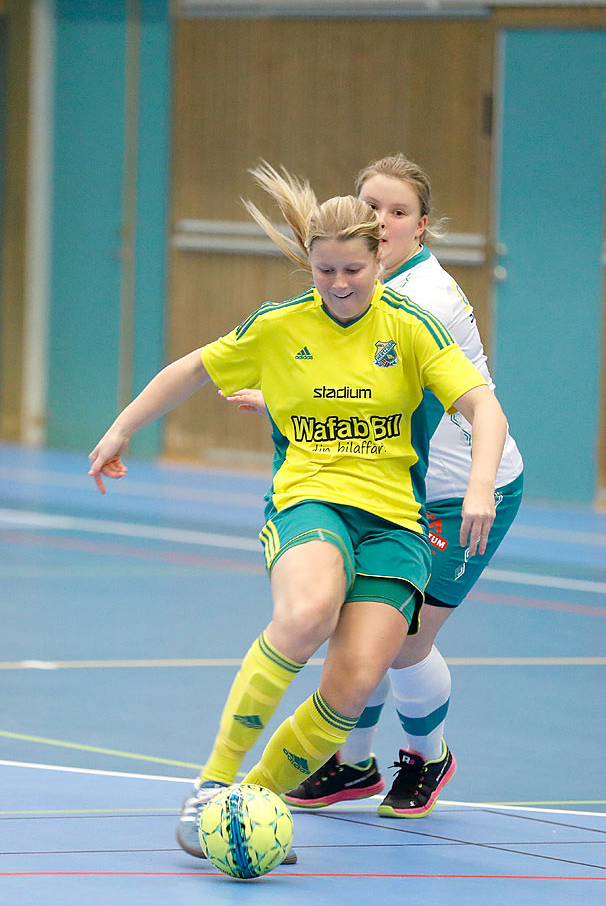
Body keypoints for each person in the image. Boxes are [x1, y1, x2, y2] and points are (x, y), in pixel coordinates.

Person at [88, 162, 509, 861]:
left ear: (379, 259)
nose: (340, 285)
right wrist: (121, 427)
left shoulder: (409, 328)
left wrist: (479, 484)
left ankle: (250, 800)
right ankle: (210, 786)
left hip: (395, 526)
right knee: (306, 613)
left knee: (352, 688)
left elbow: (483, 406)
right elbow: (192, 368)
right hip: (310, 503)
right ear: (309, 266)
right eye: (325, 272)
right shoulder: (280, 327)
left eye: (353, 270)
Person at [223, 154, 526, 819]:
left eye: (398, 212)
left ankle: (428, 757)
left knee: (403, 640)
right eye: (373, 207)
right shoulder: (362, 283)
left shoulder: (422, 302)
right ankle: (351, 762)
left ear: (423, 226)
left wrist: (290, 398)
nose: (384, 222)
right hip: (387, 486)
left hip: (459, 490)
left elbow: (381, 397)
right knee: (353, 628)